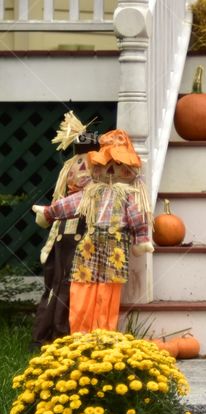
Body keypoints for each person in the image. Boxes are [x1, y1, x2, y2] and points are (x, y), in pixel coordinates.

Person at [33, 129, 153, 333]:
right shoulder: (90, 193)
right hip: (90, 243)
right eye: (106, 164)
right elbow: (70, 204)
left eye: (118, 164)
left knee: (108, 289)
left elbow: (136, 216)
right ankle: (81, 332)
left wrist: (141, 238)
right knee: (82, 284)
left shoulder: (128, 196)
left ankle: (103, 332)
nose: (111, 169)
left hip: (115, 247)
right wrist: (49, 212)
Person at [31, 112, 97, 346]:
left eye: (86, 166)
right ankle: (45, 334)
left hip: (80, 250)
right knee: (54, 285)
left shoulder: (91, 198)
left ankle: (65, 334)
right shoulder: (66, 200)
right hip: (60, 247)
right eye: (77, 165)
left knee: (71, 288)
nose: (80, 171)